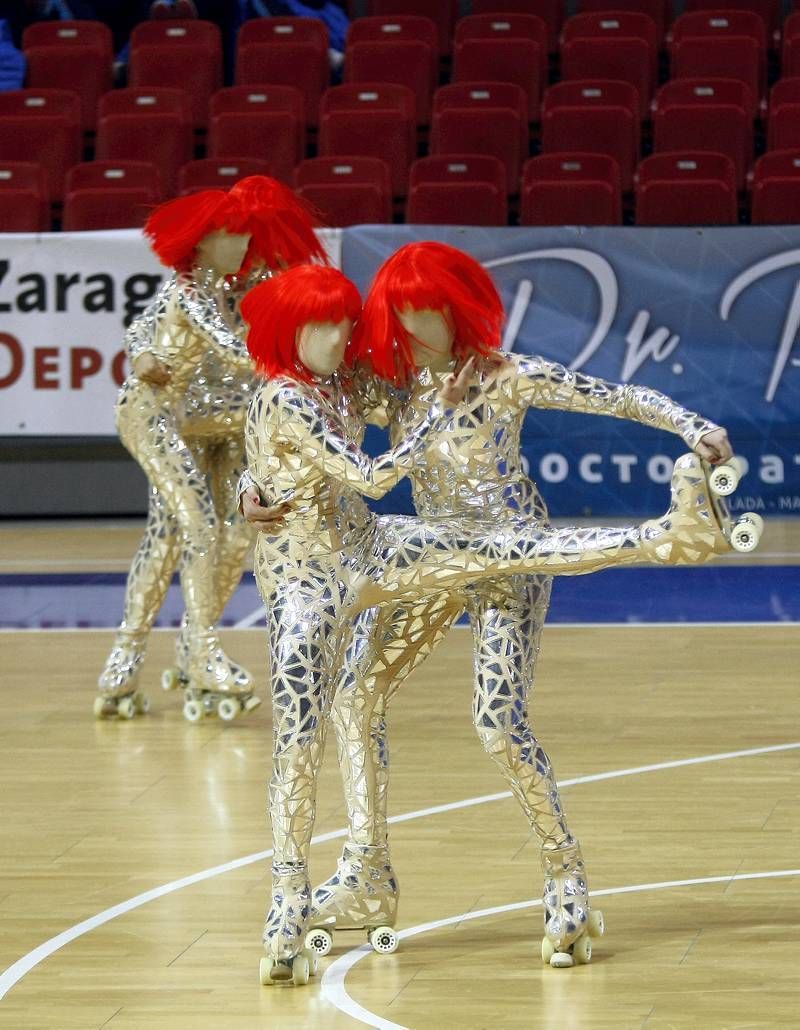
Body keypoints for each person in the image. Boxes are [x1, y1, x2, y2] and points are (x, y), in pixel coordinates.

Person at [239, 261, 733, 984]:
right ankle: (367, 873)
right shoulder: (391, 384)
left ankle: (565, 875)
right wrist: (256, 485)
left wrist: (692, 425)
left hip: (509, 557)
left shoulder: (507, 376)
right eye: (401, 311)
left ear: (459, 309)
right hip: (434, 555)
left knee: (497, 724)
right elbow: (300, 427)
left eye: (427, 310)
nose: (412, 327)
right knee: (353, 699)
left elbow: (616, 398)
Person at [95, 176, 327, 722]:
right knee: (177, 532)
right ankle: (135, 655)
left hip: (236, 422)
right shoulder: (194, 285)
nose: (248, 244)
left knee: (235, 531)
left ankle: (196, 645)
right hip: (180, 419)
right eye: (239, 231)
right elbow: (146, 327)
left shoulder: (278, 281)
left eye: (254, 231)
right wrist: (141, 354)